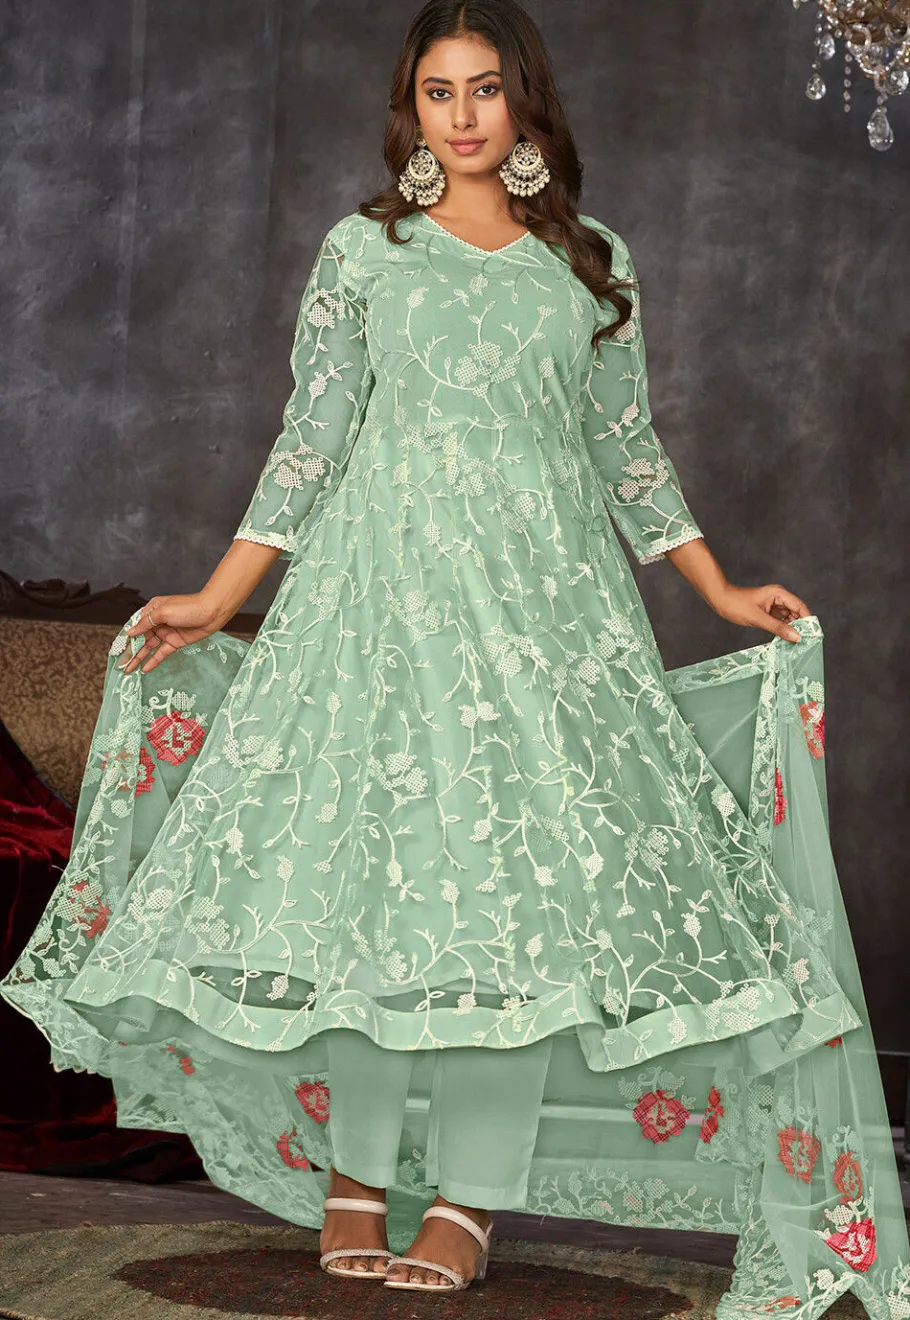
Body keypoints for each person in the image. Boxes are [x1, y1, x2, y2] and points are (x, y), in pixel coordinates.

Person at [4, 0, 908, 1309]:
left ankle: (470, 1196)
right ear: (411, 107)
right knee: (374, 890)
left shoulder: (590, 261)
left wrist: (714, 585)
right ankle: (358, 1177)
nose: (465, 115)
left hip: (546, 620)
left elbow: (626, 446)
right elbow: (311, 442)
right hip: (378, 612)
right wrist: (217, 596)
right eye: (440, 91)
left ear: (524, 100)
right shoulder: (363, 252)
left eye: (486, 88)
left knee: (512, 909)